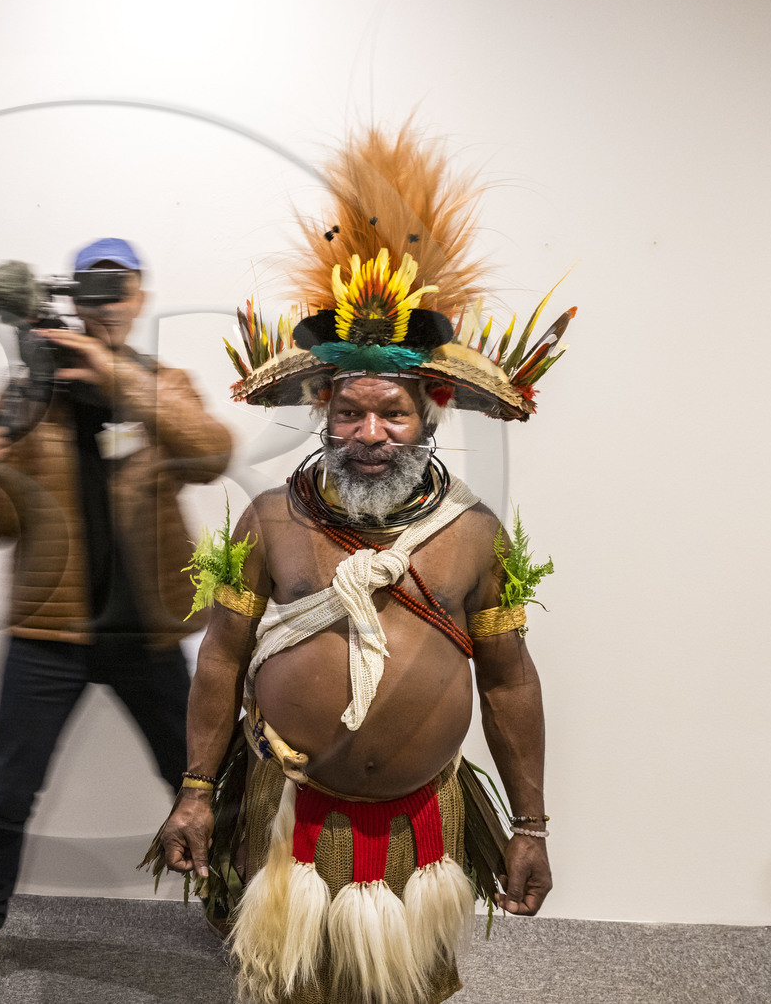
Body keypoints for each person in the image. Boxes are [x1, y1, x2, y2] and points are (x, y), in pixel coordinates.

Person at [152, 127, 572, 1004]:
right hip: (293, 806)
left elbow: (507, 679)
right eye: (350, 413)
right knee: (294, 985)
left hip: (426, 817)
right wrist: (197, 790)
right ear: (324, 413)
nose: (371, 435)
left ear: (431, 414)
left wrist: (530, 824)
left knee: (410, 988)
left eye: (394, 415)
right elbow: (222, 658)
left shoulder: (474, 535)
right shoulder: (272, 520)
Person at [0, 238, 234, 1003]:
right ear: (72, 296)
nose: (107, 303)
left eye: (121, 288)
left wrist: (117, 380)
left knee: (197, 778)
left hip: (150, 631)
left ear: (138, 297)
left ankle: (237, 906)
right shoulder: (28, 394)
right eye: (93, 289)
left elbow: (211, 451)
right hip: (48, 633)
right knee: (9, 792)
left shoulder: (163, 385)